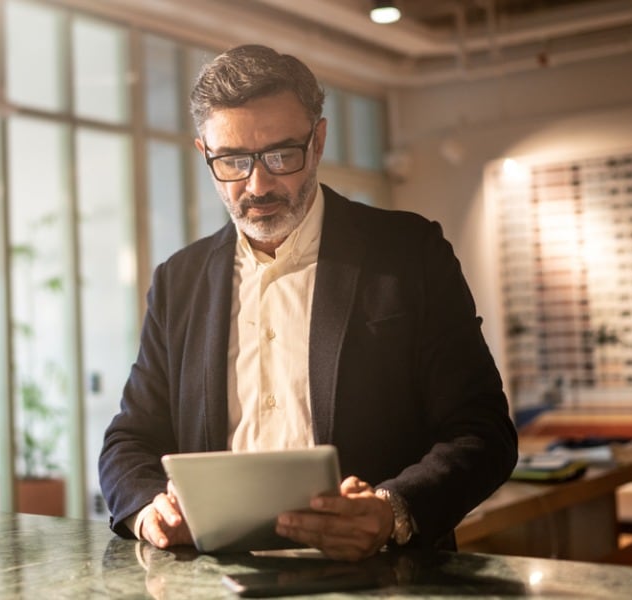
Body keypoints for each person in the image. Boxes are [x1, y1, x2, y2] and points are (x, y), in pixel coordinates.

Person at [98, 44, 517, 561]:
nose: (257, 184)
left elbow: (482, 431)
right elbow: (128, 439)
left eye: (280, 155)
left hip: (382, 578)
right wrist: (147, 509)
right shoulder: (178, 281)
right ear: (204, 153)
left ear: (317, 141)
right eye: (232, 161)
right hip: (220, 582)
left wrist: (393, 510)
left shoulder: (409, 253)